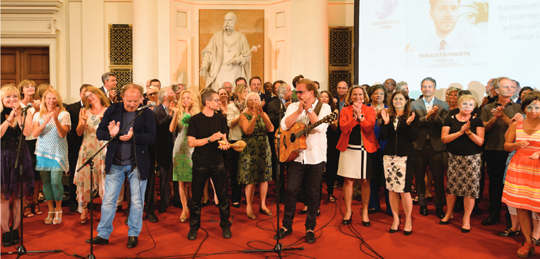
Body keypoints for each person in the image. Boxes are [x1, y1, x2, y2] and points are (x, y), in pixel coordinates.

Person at [87, 84, 156, 248]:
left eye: (135, 101)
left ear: (141, 98)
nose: (132, 104)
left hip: (137, 164)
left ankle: (133, 234)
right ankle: (103, 234)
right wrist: (111, 134)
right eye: (128, 101)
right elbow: (100, 133)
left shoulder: (145, 113)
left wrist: (134, 137)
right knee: (108, 201)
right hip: (116, 163)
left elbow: (152, 137)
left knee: (137, 202)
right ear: (122, 98)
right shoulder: (113, 110)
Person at [276, 79, 331, 244]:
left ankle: (310, 227)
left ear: (311, 92)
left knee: (313, 193)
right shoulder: (293, 106)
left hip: (316, 156)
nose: (297, 94)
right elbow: (284, 126)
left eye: (301, 92)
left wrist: (308, 110)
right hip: (296, 156)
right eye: (296, 92)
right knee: (291, 191)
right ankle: (286, 225)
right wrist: (299, 110)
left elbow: (320, 128)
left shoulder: (325, 107)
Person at [187, 89, 232, 240]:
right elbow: (191, 142)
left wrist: (225, 144)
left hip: (218, 161)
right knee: (196, 198)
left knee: (223, 197)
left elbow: (224, 138)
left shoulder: (220, 119)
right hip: (200, 162)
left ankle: (225, 225)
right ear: (207, 103)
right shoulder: (195, 120)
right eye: (216, 100)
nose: (220, 102)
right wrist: (209, 139)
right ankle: (194, 227)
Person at [502, 94, 540, 257]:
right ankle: (528, 243)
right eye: (529, 107)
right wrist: (516, 144)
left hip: (538, 169)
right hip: (519, 168)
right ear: (523, 108)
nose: (533, 111)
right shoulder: (517, 124)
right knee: (522, 207)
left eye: (537, 107)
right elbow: (506, 146)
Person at [440, 95, 484, 233]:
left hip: (472, 159)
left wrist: (469, 132)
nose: (467, 106)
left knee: (469, 191)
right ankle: (449, 213)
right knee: (451, 189)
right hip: (454, 158)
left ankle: (466, 218)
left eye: (470, 105)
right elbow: (444, 139)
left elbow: (480, 142)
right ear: (459, 105)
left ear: (474, 107)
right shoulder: (450, 119)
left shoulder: (477, 121)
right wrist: (460, 132)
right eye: (464, 104)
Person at [481, 77, 521, 226]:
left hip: (511, 151)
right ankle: (494, 214)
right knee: (494, 184)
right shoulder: (487, 108)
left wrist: (503, 116)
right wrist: (494, 118)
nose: (510, 89)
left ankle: (511, 218)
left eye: (512, 87)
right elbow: (483, 128)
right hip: (492, 149)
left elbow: (517, 128)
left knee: (510, 185)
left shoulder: (518, 108)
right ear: (497, 90)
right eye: (506, 87)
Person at [336, 86, 379, 226]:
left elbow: (368, 127)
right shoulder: (345, 110)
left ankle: (365, 211)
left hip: (365, 149)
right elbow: (343, 128)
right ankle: (348, 211)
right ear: (350, 96)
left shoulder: (370, 110)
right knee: (348, 181)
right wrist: (355, 119)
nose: (357, 96)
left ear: (364, 95)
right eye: (354, 94)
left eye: (360, 94)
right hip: (349, 148)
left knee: (365, 181)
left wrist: (360, 116)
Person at [380, 90, 419, 235]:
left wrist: (408, 124)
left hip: (406, 157)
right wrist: (385, 123)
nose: (398, 101)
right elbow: (383, 137)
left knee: (405, 190)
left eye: (401, 99)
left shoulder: (412, 116)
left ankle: (408, 220)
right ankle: (396, 219)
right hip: (389, 157)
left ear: (406, 101)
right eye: (395, 99)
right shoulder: (388, 116)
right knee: (391, 189)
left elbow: (414, 137)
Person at [410, 77, 449, 219]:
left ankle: (439, 207)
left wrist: (435, 117)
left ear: (435, 89)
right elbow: (414, 124)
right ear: (421, 89)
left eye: (430, 86)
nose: (427, 89)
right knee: (419, 177)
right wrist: (427, 117)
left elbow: (444, 124)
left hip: (437, 146)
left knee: (438, 179)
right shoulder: (414, 104)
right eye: (424, 86)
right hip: (419, 145)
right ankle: (423, 204)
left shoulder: (443, 105)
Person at [1, 85, 34, 247]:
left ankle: (15, 229)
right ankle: (6, 231)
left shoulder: (24, 113)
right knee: (3, 198)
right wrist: (9, 118)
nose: (12, 99)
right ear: (2, 99)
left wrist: (19, 116)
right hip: (2, 159)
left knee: (18, 197)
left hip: (21, 157)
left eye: (15, 96)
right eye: (8, 97)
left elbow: (28, 133)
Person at [32, 88, 71, 225]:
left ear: (58, 100)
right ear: (44, 100)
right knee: (46, 182)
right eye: (48, 98)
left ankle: (59, 209)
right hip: (42, 152)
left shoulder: (64, 114)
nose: (51, 101)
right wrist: (46, 120)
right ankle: (50, 210)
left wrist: (55, 119)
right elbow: (35, 134)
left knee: (55, 181)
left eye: (54, 98)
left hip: (57, 152)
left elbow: (62, 134)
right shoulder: (37, 115)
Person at [73, 86, 110, 224]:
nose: (89, 97)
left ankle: (106, 211)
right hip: (87, 148)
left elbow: (111, 131)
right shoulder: (84, 111)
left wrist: (103, 121)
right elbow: (78, 132)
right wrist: (82, 122)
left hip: (102, 147)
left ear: (99, 95)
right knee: (85, 180)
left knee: (104, 180)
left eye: (92, 94)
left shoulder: (108, 111)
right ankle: (84, 210)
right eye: (87, 96)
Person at [238, 92, 274, 219]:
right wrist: (254, 116)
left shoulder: (263, 114)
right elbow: (248, 131)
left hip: (264, 148)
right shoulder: (243, 115)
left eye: (256, 100)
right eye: (251, 100)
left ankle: (263, 204)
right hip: (250, 149)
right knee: (250, 179)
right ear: (247, 102)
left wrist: (262, 115)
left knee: (264, 178)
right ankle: (249, 206)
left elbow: (271, 129)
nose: (254, 102)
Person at [200, 12, 252, 90]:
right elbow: (208, 52)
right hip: (219, 69)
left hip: (236, 69)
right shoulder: (217, 36)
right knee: (218, 90)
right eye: (225, 20)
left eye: (230, 20)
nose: (227, 22)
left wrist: (241, 59)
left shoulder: (241, 37)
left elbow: (248, 55)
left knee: (236, 91)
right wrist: (204, 66)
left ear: (235, 22)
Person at [170, 90, 200, 222]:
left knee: (193, 180)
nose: (186, 100)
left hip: (192, 148)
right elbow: (171, 129)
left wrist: (190, 110)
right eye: (183, 98)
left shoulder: (197, 114)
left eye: (188, 98)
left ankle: (194, 207)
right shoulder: (179, 112)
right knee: (181, 181)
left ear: (193, 99)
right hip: (179, 148)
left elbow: (199, 128)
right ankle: (184, 208)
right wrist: (176, 113)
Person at [17, 80, 42, 218]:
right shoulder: (19, 105)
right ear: (22, 90)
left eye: (32, 86)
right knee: (25, 173)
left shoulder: (39, 103)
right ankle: (25, 202)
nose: (31, 88)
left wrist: (38, 110)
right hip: (23, 141)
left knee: (37, 172)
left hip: (37, 141)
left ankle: (35, 202)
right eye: (27, 87)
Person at [367, 84, 391, 215]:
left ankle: (390, 206)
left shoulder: (390, 109)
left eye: (381, 93)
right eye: (376, 93)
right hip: (370, 143)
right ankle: (373, 204)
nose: (379, 96)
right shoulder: (366, 109)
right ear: (371, 95)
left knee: (388, 176)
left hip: (386, 144)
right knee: (372, 175)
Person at [66, 84, 90, 213]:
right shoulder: (72, 108)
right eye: (85, 93)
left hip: (91, 145)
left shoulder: (95, 108)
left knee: (89, 175)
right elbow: (69, 126)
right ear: (80, 94)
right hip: (75, 145)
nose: (87, 96)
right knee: (75, 174)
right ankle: (73, 201)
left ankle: (88, 201)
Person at [227, 84, 250, 207]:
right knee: (236, 170)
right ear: (238, 93)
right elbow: (230, 123)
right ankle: (235, 197)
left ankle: (247, 197)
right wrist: (242, 115)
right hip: (235, 140)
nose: (246, 93)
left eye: (247, 91)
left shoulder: (249, 105)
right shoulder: (231, 106)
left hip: (247, 139)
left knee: (247, 169)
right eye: (244, 91)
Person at [319, 91, 339, 203]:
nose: (324, 98)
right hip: (318, 140)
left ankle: (330, 192)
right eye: (322, 96)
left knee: (331, 168)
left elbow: (335, 128)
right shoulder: (316, 109)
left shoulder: (334, 110)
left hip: (331, 140)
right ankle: (317, 194)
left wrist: (331, 121)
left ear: (330, 99)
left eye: (326, 96)